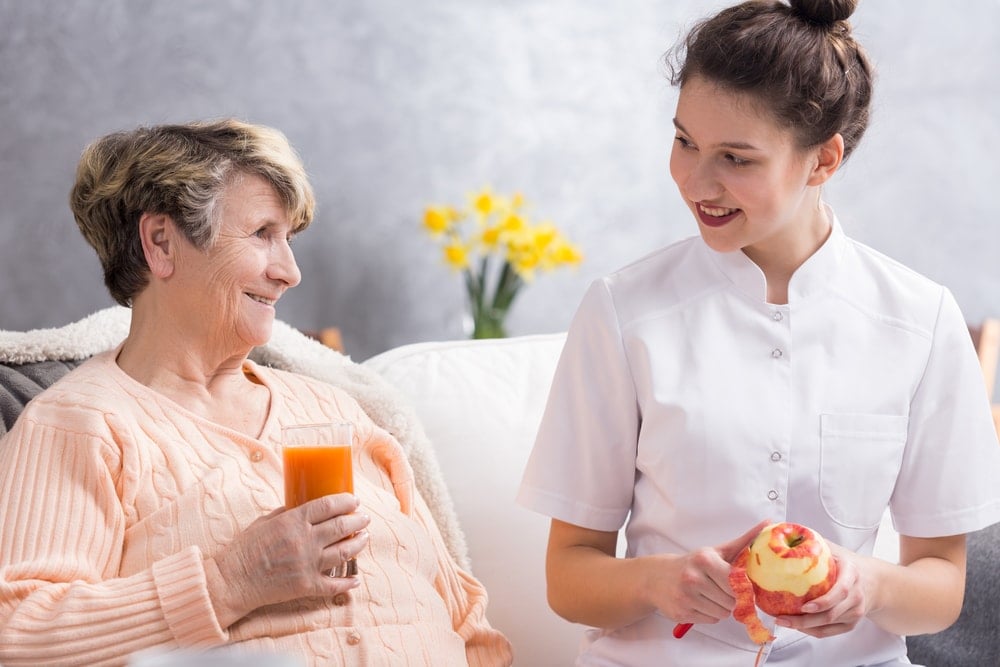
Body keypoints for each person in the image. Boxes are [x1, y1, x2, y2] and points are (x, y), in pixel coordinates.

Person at [517, 1, 1000, 665]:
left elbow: (942, 586)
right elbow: (569, 575)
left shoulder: (920, 320)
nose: (694, 180)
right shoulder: (622, 310)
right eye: (685, 140)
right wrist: (659, 580)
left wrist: (867, 582)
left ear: (823, 159)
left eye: (736, 158)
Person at [0, 119, 513, 666]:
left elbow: (466, 623)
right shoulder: (79, 422)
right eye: (262, 233)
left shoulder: (336, 408)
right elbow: (17, 633)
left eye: (288, 239)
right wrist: (229, 581)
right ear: (161, 243)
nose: (289, 272)